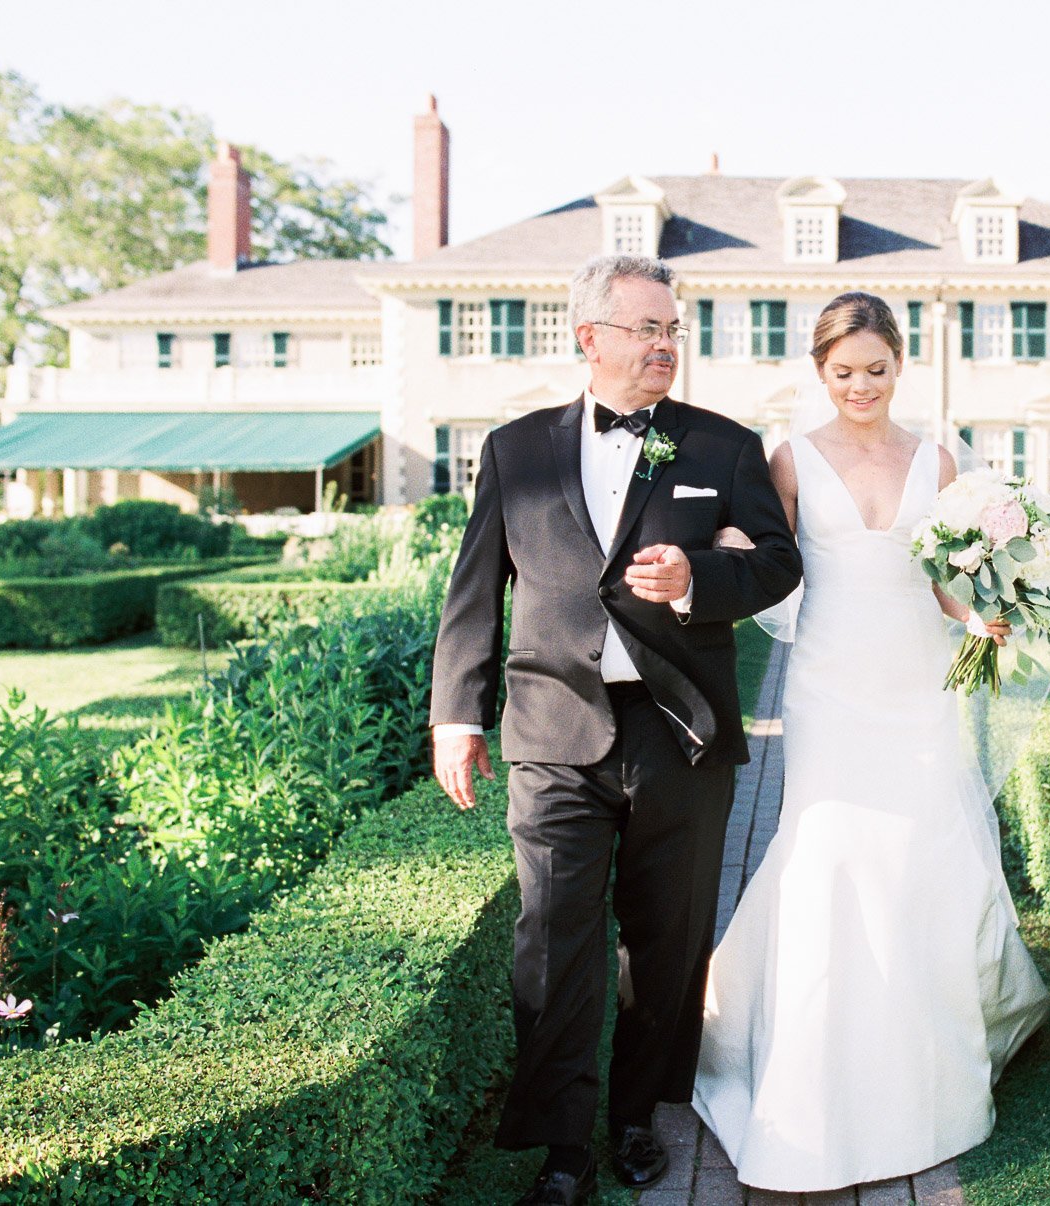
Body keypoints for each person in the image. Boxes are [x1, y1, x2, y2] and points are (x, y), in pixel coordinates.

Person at [428, 254, 801, 1205]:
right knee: (551, 937)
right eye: (646, 329)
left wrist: (696, 583)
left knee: (667, 939)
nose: (666, 346)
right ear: (589, 337)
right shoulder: (516, 450)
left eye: (674, 330)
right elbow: (476, 589)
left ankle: (636, 1117)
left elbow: (778, 563)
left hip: (678, 729)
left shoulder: (722, 445)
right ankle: (563, 1145)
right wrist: (454, 715)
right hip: (552, 731)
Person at [691, 293, 1050, 1192]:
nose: (861, 386)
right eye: (843, 372)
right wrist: (726, 543)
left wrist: (985, 616)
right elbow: (770, 561)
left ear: (902, 364)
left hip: (916, 682)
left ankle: (922, 1070)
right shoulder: (788, 459)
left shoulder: (938, 459)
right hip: (829, 683)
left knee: (919, 858)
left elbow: (946, 582)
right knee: (829, 852)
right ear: (821, 372)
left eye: (877, 370)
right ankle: (808, 1072)